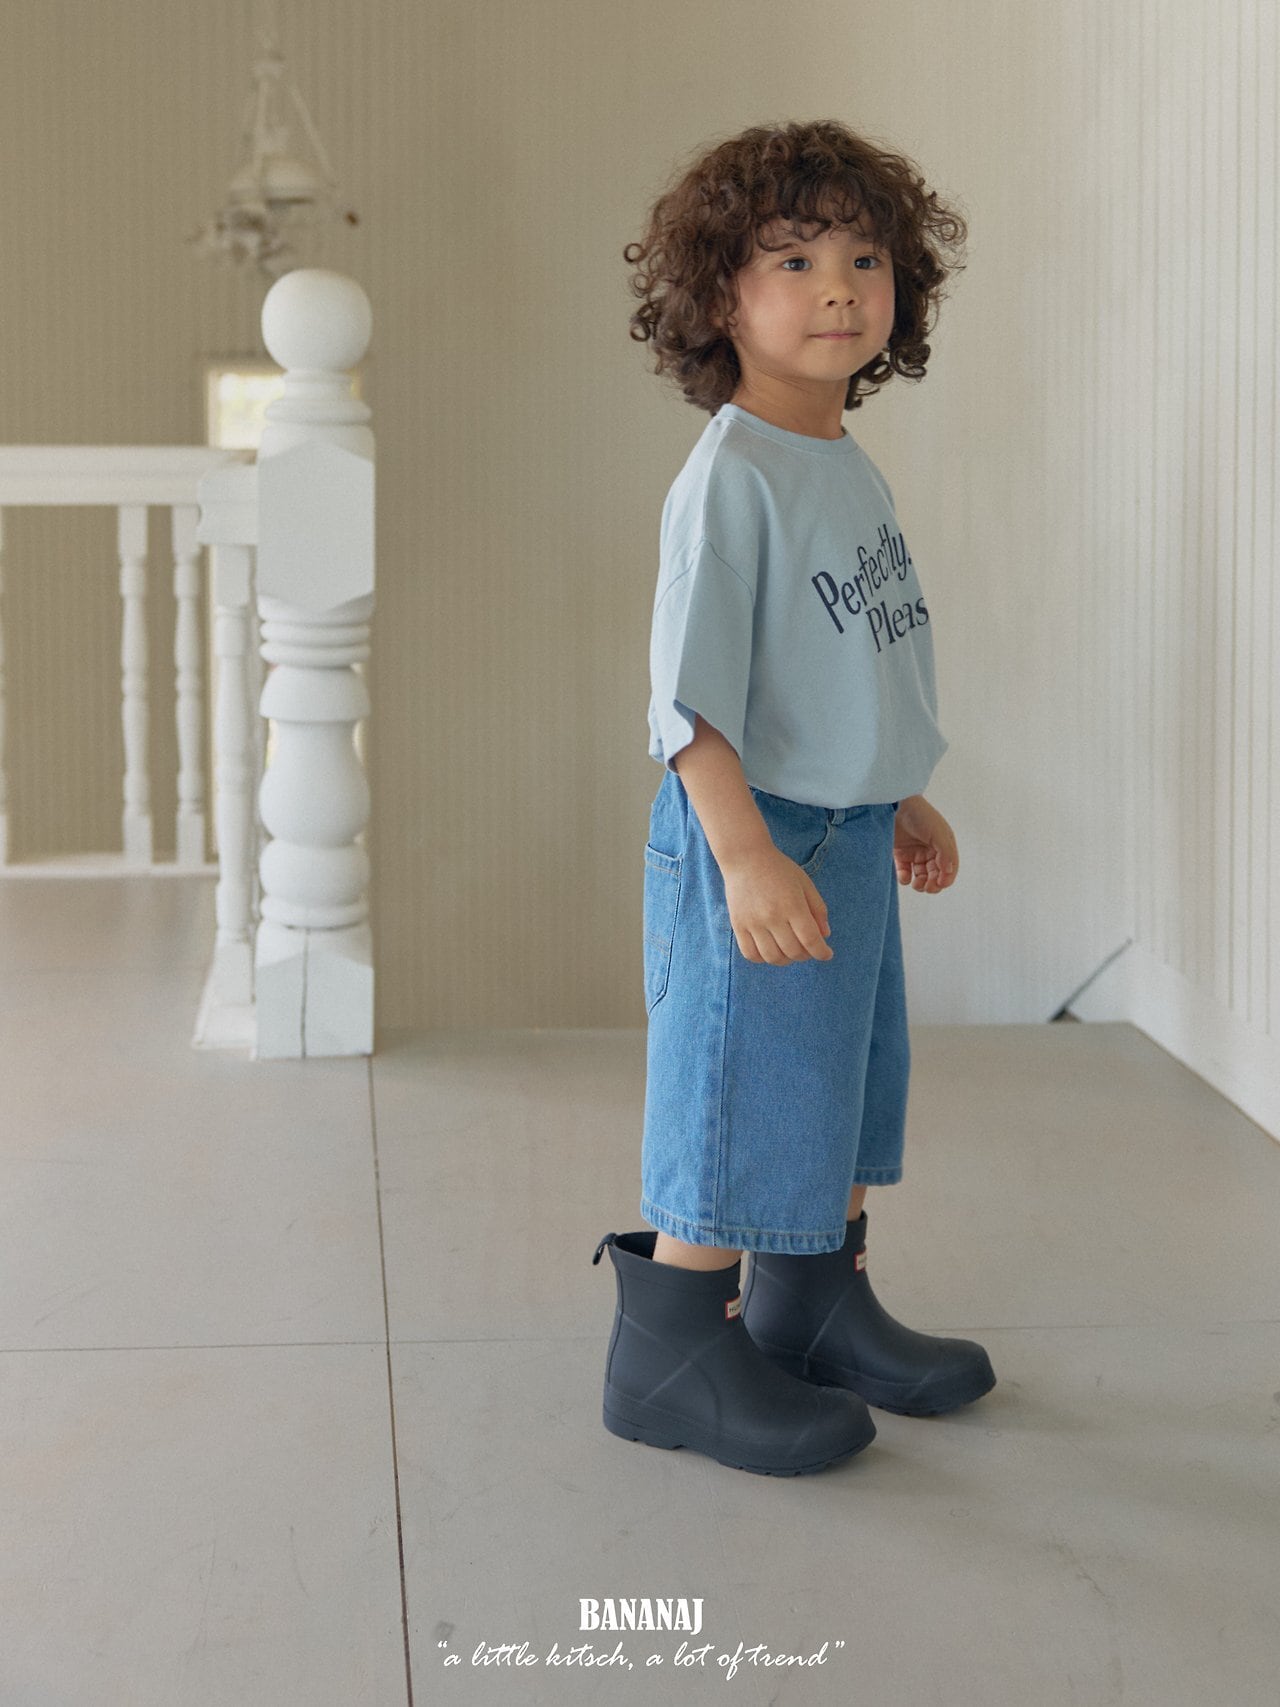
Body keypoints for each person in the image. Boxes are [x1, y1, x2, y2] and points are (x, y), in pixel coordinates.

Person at [592, 118, 997, 1477]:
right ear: (721, 298)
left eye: (864, 259)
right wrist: (747, 855)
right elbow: (691, 704)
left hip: (848, 829)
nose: (839, 288)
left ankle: (813, 1302)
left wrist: (899, 793)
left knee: (836, 1081)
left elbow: (846, 656)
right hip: (755, 834)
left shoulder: (838, 464)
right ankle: (671, 1349)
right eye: (794, 259)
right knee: (740, 1084)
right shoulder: (732, 479)